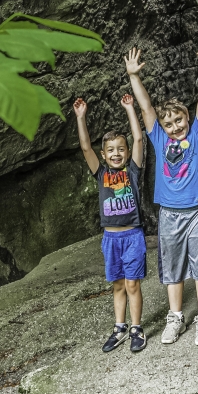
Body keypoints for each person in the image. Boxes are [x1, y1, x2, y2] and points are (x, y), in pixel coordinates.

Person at [124, 40, 198, 346]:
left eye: (179, 120)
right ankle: (175, 317)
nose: (175, 126)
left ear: (187, 119)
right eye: (169, 124)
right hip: (169, 213)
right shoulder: (159, 138)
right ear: (162, 128)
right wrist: (134, 76)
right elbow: (146, 108)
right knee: (173, 265)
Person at [73, 94, 147, 353]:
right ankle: (120, 328)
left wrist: (130, 108)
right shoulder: (102, 173)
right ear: (104, 155)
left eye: (121, 149)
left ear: (126, 153)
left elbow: (138, 138)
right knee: (118, 285)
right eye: (111, 150)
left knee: (132, 284)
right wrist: (81, 118)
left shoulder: (133, 171)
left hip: (133, 236)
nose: (117, 154)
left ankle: (136, 328)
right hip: (111, 239)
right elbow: (85, 148)